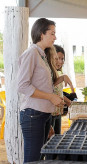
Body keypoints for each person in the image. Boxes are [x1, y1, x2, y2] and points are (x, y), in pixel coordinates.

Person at [18, 18, 65, 163]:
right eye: (52, 33)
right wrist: (50, 97)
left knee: (39, 158)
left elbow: (43, 84)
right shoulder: (31, 53)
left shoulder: (42, 54)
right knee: (33, 160)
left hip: (43, 114)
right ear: (41, 34)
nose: (55, 37)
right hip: (33, 114)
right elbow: (22, 86)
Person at [44, 46, 72, 136]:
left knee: (56, 138)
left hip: (57, 113)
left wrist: (68, 102)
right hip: (49, 114)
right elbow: (46, 93)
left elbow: (57, 93)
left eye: (62, 59)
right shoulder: (47, 73)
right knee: (49, 140)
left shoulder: (58, 73)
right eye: (57, 58)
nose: (60, 61)